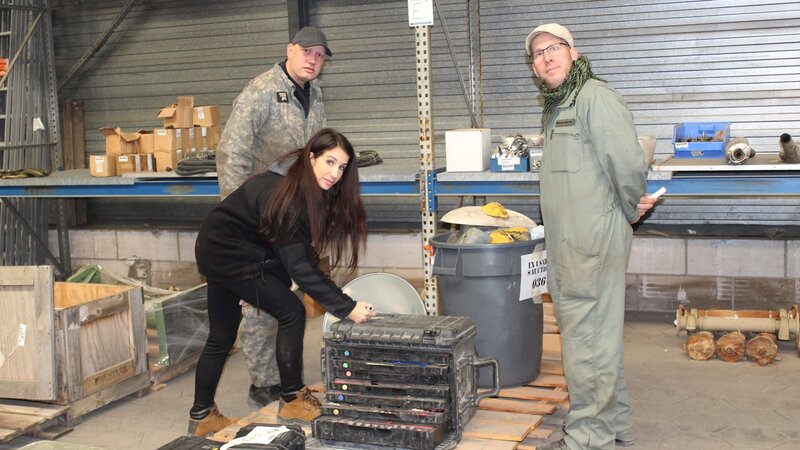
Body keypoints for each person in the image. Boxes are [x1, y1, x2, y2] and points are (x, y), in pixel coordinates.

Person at [189, 129, 376, 436]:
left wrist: (252, 285)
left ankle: (202, 416)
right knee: (292, 311)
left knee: (221, 336)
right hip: (231, 254)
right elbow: (300, 267)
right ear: (312, 157)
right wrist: (346, 307)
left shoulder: (295, 180)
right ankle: (291, 398)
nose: (335, 174)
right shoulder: (290, 196)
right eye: (329, 162)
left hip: (218, 247)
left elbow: (287, 248)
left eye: (342, 167)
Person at [525, 24, 658, 450]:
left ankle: (587, 439)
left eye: (554, 48)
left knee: (587, 343)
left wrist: (630, 208)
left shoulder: (594, 97)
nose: (546, 57)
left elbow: (627, 163)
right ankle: (615, 426)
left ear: (574, 53)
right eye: (538, 53)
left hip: (591, 244)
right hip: (569, 245)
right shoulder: (558, 105)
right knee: (597, 339)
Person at [215, 26, 331, 409]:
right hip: (259, 212)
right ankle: (263, 383)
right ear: (290, 49)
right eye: (307, 51)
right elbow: (232, 152)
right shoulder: (261, 90)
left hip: (294, 211)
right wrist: (238, 216)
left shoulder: (315, 94)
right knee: (260, 300)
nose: (313, 60)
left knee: (288, 293)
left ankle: (285, 375)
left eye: (320, 55)